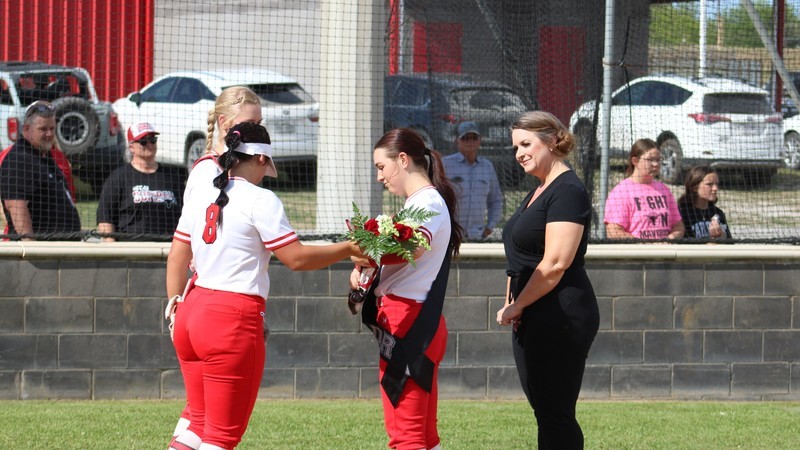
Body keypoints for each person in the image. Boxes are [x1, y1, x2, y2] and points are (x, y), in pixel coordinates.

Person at [166, 122, 363, 449]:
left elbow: (177, 254)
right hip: (228, 317)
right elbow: (296, 258)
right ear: (260, 159)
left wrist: (174, 303)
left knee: (197, 424)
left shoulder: (201, 192)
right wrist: (347, 248)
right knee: (220, 436)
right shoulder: (260, 199)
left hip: (192, 308)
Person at [351, 128, 463, 450]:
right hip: (414, 319)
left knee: (407, 435)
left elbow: (410, 249)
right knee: (423, 435)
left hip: (409, 321)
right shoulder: (422, 201)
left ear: (402, 160)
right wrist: (368, 268)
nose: (379, 176)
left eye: (381, 167)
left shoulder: (426, 201)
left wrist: (361, 253)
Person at [495, 111, 599, 449]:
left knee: (555, 412)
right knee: (546, 410)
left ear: (552, 141)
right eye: (515, 147)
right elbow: (519, 258)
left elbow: (555, 263)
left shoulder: (567, 190)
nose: (519, 153)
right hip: (532, 312)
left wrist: (519, 304)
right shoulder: (540, 190)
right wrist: (513, 302)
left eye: (526, 144)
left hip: (560, 312)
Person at [167, 85, 263, 444]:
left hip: (208, 302)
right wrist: (175, 302)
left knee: (198, 418)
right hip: (218, 301)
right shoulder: (212, 172)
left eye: (259, 123)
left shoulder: (226, 170)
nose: (256, 130)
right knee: (213, 428)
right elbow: (181, 248)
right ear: (224, 123)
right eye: (249, 123)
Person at [0, 100, 80, 240]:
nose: (49, 134)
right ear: (26, 129)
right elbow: (16, 207)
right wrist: (31, 246)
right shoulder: (19, 159)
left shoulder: (46, 156)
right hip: (40, 250)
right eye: (43, 129)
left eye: (52, 128)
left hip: (58, 247)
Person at [96, 122, 184, 241]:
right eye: (143, 141)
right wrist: (110, 246)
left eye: (152, 140)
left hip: (167, 247)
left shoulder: (172, 177)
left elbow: (187, 214)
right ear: (131, 147)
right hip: (132, 248)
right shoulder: (118, 178)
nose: (149, 144)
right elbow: (105, 218)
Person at [604, 138, 684, 240]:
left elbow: (678, 226)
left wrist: (669, 239)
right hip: (636, 250)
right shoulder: (621, 191)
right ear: (635, 161)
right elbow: (613, 231)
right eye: (650, 160)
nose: (655, 164)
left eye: (658, 159)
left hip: (664, 249)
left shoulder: (663, 189)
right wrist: (643, 245)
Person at [441, 121, 503, 241]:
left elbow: (496, 200)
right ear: (457, 141)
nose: (470, 141)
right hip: (451, 236)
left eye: (474, 137)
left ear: (480, 140)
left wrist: (490, 227)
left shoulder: (487, 166)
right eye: (465, 138)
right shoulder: (445, 164)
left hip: (478, 235)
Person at [678, 165, 731, 240]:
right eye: (709, 184)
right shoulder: (683, 212)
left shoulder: (717, 213)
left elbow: (730, 242)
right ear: (695, 188)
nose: (715, 188)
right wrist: (711, 241)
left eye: (716, 184)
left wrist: (721, 235)